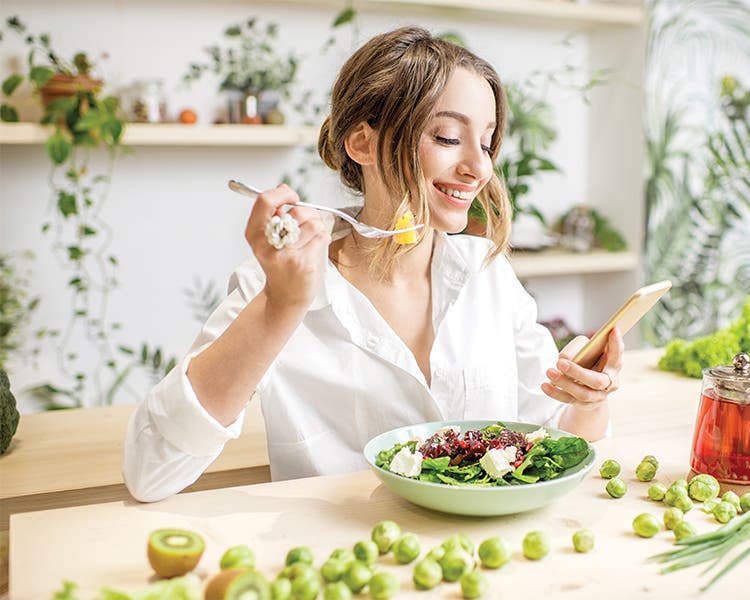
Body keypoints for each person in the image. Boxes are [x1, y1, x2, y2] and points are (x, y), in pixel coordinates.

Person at [123, 26, 623, 503]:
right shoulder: (277, 286)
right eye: (448, 137)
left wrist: (588, 399)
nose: (480, 167)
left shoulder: (487, 274)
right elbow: (150, 472)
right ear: (362, 143)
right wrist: (281, 306)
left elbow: (554, 439)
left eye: (487, 141)